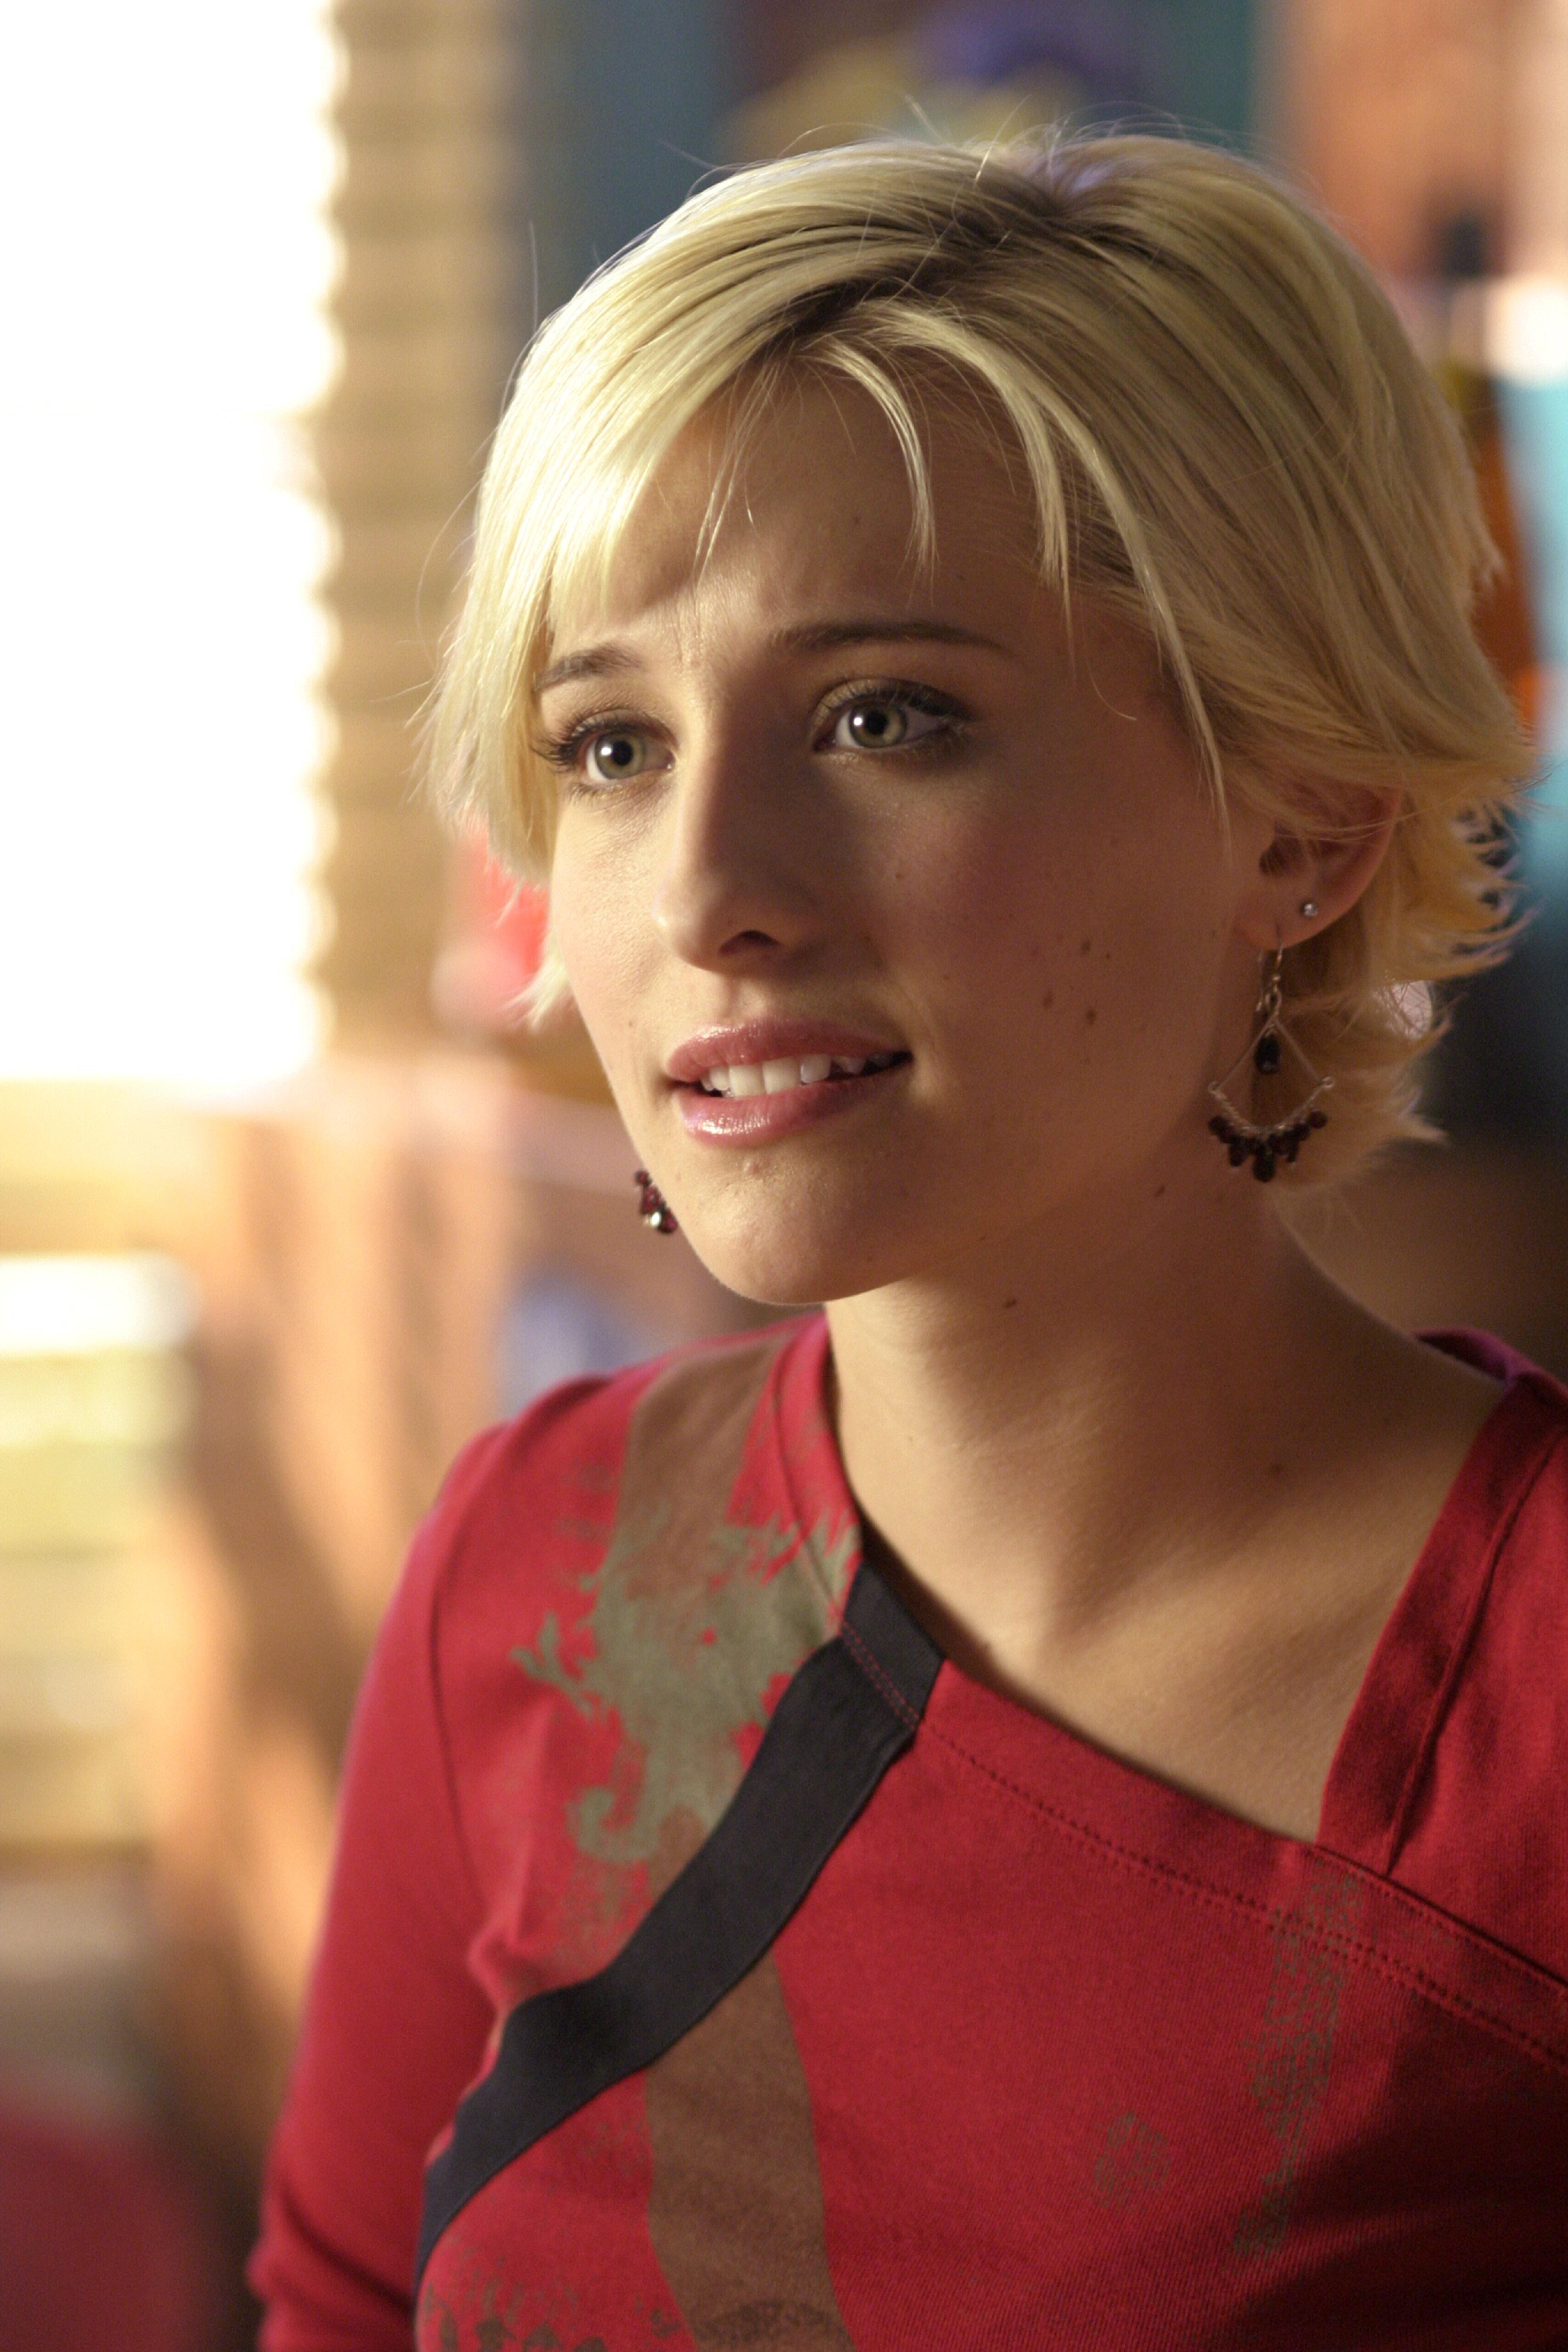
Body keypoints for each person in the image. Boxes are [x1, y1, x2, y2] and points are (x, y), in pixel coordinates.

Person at [252, 135, 1568, 2350]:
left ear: (1302, 822)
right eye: (609, 743)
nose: (703, 891)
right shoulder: (530, 1564)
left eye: (883, 717)